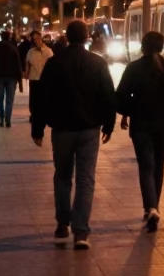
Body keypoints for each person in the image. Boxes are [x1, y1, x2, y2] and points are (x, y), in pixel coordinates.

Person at [33, 20, 116, 249]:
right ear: (87, 36)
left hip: (61, 129)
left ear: (67, 37)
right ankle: (81, 232)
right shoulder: (98, 63)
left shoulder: (54, 63)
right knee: (85, 179)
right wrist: (109, 125)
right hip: (89, 129)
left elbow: (43, 97)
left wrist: (37, 128)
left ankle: (62, 223)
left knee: (62, 175)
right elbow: (108, 95)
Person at [115, 30, 164, 232]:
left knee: (146, 166)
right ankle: (155, 206)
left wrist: (129, 110)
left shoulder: (134, 68)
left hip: (140, 124)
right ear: (162, 47)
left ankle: (151, 208)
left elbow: (120, 96)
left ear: (142, 46)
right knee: (159, 165)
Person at [0, 30, 24, 127]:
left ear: (2, 37)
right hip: (12, 77)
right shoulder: (13, 48)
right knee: (9, 99)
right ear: (9, 37)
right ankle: (8, 119)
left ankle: (1, 119)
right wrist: (20, 81)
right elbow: (18, 65)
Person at [23, 30, 54, 132]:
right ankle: (34, 115)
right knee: (33, 100)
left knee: (43, 99)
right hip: (33, 79)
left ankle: (42, 116)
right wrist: (26, 74)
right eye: (33, 39)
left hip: (44, 80)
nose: (36, 41)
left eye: (37, 38)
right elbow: (27, 64)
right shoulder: (30, 52)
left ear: (41, 38)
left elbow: (51, 66)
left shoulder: (48, 51)